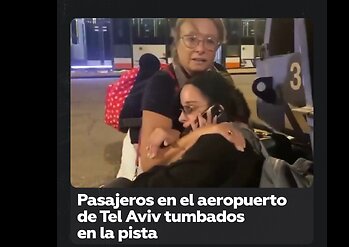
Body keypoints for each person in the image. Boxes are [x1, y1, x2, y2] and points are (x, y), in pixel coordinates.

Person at [116, 18, 245, 179]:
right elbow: (150, 163)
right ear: (177, 43)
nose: (200, 48)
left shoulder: (221, 77)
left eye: (210, 41)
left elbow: (237, 128)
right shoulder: (163, 84)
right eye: (191, 39)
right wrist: (203, 133)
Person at [106, 71, 264, 187]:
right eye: (182, 109)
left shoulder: (219, 143)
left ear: (217, 111)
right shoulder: (241, 133)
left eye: (189, 108)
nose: (181, 118)